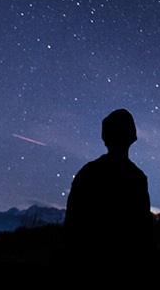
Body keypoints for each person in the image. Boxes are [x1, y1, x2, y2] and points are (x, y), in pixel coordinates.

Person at [64, 108, 153, 270]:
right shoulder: (136, 178)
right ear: (131, 137)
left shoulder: (88, 172)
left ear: (105, 138)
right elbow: (143, 232)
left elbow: (72, 225)